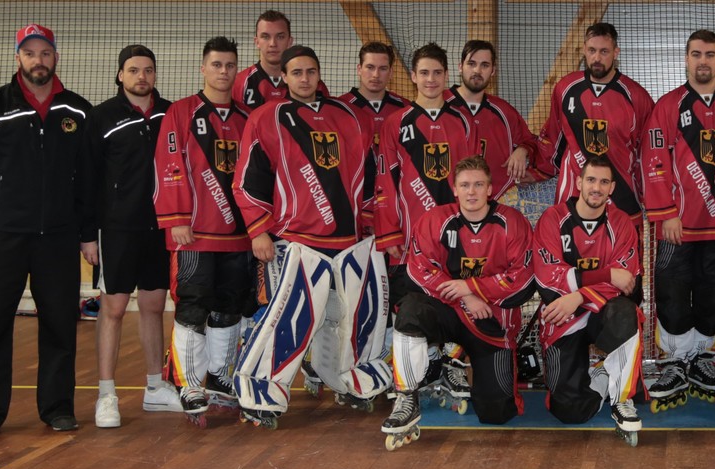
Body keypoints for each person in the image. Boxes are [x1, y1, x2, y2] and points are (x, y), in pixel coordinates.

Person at [232, 45, 387, 429]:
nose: (305, 79)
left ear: (320, 74)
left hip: (348, 242)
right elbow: (247, 181)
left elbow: (370, 176)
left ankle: (350, 382)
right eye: (297, 72)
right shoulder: (266, 117)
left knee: (350, 320)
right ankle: (260, 392)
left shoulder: (351, 116)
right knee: (290, 319)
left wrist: (369, 222)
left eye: (311, 71)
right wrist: (258, 231)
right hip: (294, 241)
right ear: (284, 77)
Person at [0, 23, 96, 439]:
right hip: (3, 237)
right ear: (18, 57)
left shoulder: (77, 110)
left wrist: (87, 234)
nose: (39, 60)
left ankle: (57, 408)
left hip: (59, 238)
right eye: (30, 53)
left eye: (45, 53)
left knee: (60, 324)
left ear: (56, 57)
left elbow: (87, 179)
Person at [384, 156, 537, 449]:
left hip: (491, 322)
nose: (471, 192)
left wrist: (470, 285)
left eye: (478, 185)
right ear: (454, 189)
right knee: (411, 309)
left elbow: (523, 278)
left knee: (497, 413)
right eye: (465, 185)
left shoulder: (513, 223)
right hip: (451, 312)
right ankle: (406, 397)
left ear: (490, 189)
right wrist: (467, 296)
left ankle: (454, 358)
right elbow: (420, 270)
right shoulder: (434, 220)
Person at [642, 29, 715, 410]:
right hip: (677, 226)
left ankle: (704, 358)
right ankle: (674, 361)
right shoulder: (667, 105)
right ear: (686, 59)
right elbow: (654, 160)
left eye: (710, 54)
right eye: (696, 54)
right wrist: (667, 213)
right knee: (671, 291)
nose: (703, 61)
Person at [153, 37, 254, 427]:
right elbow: (169, 164)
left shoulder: (248, 117)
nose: (223, 72)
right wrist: (177, 217)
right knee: (193, 304)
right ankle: (189, 383)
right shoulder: (181, 112)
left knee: (230, 306)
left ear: (237, 69)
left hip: (239, 234)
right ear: (203, 68)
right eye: (216, 64)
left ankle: (220, 377)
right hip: (194, 232)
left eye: (229, 65)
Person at [375, 43, 481, 407]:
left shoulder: (462, 121)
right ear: (413, 77)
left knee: (453, 298)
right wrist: (389, 231)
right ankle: (422, 369)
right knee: (411, 303)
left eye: (437, 72)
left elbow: (472, 179)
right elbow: (385, 180)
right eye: (424, 73)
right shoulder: (396, 123)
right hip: (409, 236)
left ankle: (450, 363)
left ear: (447, 76)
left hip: (454, 234)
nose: (431, 79)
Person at [90, 44, 179, 428]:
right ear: (120, 75)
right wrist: (87, 234)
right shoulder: (101, 117)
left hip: (159, 228)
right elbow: (88, 178)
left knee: (154, 306)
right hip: (116, 229)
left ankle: (155, 387)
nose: (142, 76)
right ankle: (106, 394)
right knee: (112, 309)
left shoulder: (171, 113)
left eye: (148, 70)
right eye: (133, 70)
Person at [529, 155, 644, 446]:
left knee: (625, 312)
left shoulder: (621, 222)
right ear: (579, 182)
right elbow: (548, 278)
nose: (596, 187)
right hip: (563, 317)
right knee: (568, 411)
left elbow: (627, 283)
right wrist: (607, 275)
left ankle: (622, 399)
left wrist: (579, 295)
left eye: (604, 182)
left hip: (597, 311)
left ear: (612, 188)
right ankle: (604, 374)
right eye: (591, 180)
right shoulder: (552, 219)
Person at [536, 22, 654, 221]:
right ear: (584, 50)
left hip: (621, 194)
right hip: (574, 193)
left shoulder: (636, 96)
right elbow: (554, 136)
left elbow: (647, 150)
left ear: (616, 52)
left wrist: (650, 193)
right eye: (592, 50)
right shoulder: (565, 88)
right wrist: (537, 170)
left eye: (604, 51)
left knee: (622, 241)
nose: (597, 58)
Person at [450, 40, 539, 199]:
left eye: (484, 65)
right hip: (447, 203)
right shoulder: (440, 106)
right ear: (460, 66)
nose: (477, 70)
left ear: (493, 71)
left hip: (495, 203)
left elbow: (531, 141)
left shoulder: (504, 112)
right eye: (471, 64)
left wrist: (523, 149)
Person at [233, 10, 327, 109]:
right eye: (266, 37)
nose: (273, 44)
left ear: (289, 41)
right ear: (257, 42)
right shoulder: (239, 83)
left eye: (280, 37)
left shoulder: (314, 85)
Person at [338, 42, 410, 157]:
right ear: (359, 69)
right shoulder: (340, 107)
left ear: (391, 72)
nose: (376, 75)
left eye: (383, 68)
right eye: (370, 67)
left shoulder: (405, 109)